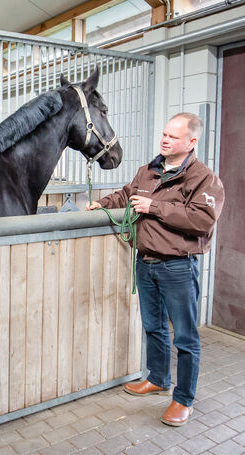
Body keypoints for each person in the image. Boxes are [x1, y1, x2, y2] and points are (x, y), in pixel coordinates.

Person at [87, 113, 224, 427]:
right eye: (164, 134)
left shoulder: (203, 178)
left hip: (177, 266)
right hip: (146, 263)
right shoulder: (149, 171)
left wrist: (155, 207)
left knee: (186, 338)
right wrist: (103, 203)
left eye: (173, 137)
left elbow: (202, 219)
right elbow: (127, 194)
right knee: (153, 327)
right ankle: (158, 378)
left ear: (191, 142)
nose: (165, 140)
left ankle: (183, 399)